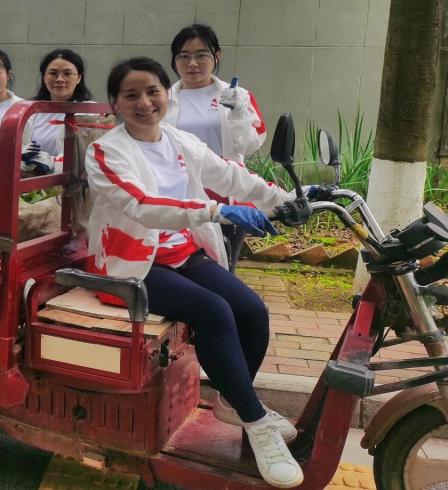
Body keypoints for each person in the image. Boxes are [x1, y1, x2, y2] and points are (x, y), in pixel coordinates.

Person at [85, 57, 301, 489]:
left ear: (167, 94)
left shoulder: (179, 140)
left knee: (252, 310)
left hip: (183, 253)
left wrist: (285, 199)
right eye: (131, 95)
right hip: (133, 264)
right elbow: (140, 205)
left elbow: (231, 175)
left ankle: (234, 400)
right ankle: (256, 422)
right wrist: (218, 210)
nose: (145, 102)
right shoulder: (106, 151)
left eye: (153, 91)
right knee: (214, 311)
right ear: (114, 104)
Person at [164, 24, 267, 267]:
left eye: (201, 55)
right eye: (184, 56)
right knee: (183, 264)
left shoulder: (237, 95)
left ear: (216, 56)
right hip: (178, 194)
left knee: (223, 265)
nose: (192, 63)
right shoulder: (162, 98)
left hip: (224, 194)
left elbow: (252, 144)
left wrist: (239, 115)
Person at [24, 48, 95, 172]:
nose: (60, 79)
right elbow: (20, 149)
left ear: (78, 78)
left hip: (76, 186)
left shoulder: (93, 113)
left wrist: (52, 163)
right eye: (53, 73)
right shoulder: (30, 111)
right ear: (44, 77)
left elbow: (92, 156)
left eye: (67, 74)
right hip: (35, 184)